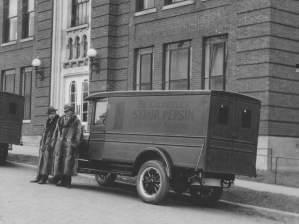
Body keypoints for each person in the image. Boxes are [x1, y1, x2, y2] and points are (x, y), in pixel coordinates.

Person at [52, 104, 82, 188]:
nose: (66, 113)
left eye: (68, 111)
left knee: (68, 163)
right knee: (60, 161)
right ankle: (61, 180)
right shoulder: (60, 119)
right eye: (65, 111)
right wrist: (54, 141)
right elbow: (56, 131)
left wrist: (75, 143)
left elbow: (79, 133)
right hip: (61, 143)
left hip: (70, 144)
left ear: (72, 111)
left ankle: (68, 182)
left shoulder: (76, 121)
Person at [30, 106, 59, 184]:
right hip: (44, 142)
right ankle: (38, 176)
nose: (52, 115)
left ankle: (44, 178)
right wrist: (42, 142)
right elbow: (44, 132)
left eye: (53, 113)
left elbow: (56, 134)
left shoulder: (57, 122)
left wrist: (51, 143)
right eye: (50, 114)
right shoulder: (48, 121)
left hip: (51, 143)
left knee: (46, 161)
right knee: (41, 160)